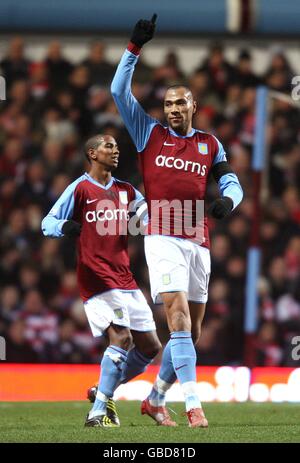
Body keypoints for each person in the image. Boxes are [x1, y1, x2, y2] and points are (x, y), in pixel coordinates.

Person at [111, 14, 243, 428]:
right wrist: (134, 48)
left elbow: (231, 181)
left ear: (192, 106)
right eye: (167, 104)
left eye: (178, 103)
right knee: (179, 319)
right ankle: (193, 405)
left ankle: (154, 399)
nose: (171, 110)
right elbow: (118, 90)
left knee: (193, 331)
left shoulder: (210, 143)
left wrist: (230, 202)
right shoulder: (147, 133)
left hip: (198, 237)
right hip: (161, 233)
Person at [41, 134, 161, 427]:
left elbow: (146, 217)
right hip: (95, 275)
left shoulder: (126, 190)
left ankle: (102, 393)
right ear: (92, 153)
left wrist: (153, 220)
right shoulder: (80, 188)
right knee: (122, 337)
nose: (115, 150)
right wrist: (65, 226)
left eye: (117, 147)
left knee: (150, 347)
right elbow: (47, 223)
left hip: (125, 277)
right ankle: (97, 413)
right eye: (109, 146)